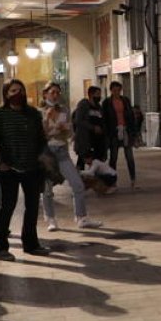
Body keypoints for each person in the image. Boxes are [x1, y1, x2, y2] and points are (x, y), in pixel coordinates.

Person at [0, 79, 50, 261]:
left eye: (20, 90)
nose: (17, 93)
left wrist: (42, 158)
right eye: (13, 90)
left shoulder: (32, 114)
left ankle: (31, 244)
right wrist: (0, 162)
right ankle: (0, 248)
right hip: (8, 168)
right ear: (6, 94)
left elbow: (41, 138)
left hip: (31, 167)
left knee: (32, 207)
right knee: (7, 206)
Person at [41, 83, 103, 231]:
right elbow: (41, 135)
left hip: (62, 151)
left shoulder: (64, 110)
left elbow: (68, 133)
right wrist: (48, 122)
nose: (55, 95)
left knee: (77, 184)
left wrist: (59, 130)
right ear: (45, 94)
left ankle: (81, 217)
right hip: (47, 153)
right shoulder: (39, 112)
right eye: (52, 92)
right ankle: (51, 219)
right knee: (47, 188)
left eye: (58, 92)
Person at [102, 81, 138, 187]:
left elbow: (131, 115)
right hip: (114, 132)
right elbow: (105, 118)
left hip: (126, 130)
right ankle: (112, 181)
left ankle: (133, 179)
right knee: (113, 157)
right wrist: (107, 133)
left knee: (129, 156)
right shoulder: (107, 102)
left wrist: (134, 132)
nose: (116, 92)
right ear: (111, 90)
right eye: (114, 90)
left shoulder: (125, 100)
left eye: (118, 90)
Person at [73, 86, 107, 165]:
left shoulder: (99, 107)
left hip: (97, 140)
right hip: (85, 139)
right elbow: (78, 120)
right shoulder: (83, 105)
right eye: (97, 94)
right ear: (91, 95)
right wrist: (92, 127)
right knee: (82, 160)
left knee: (96, 162)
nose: (99, 96)